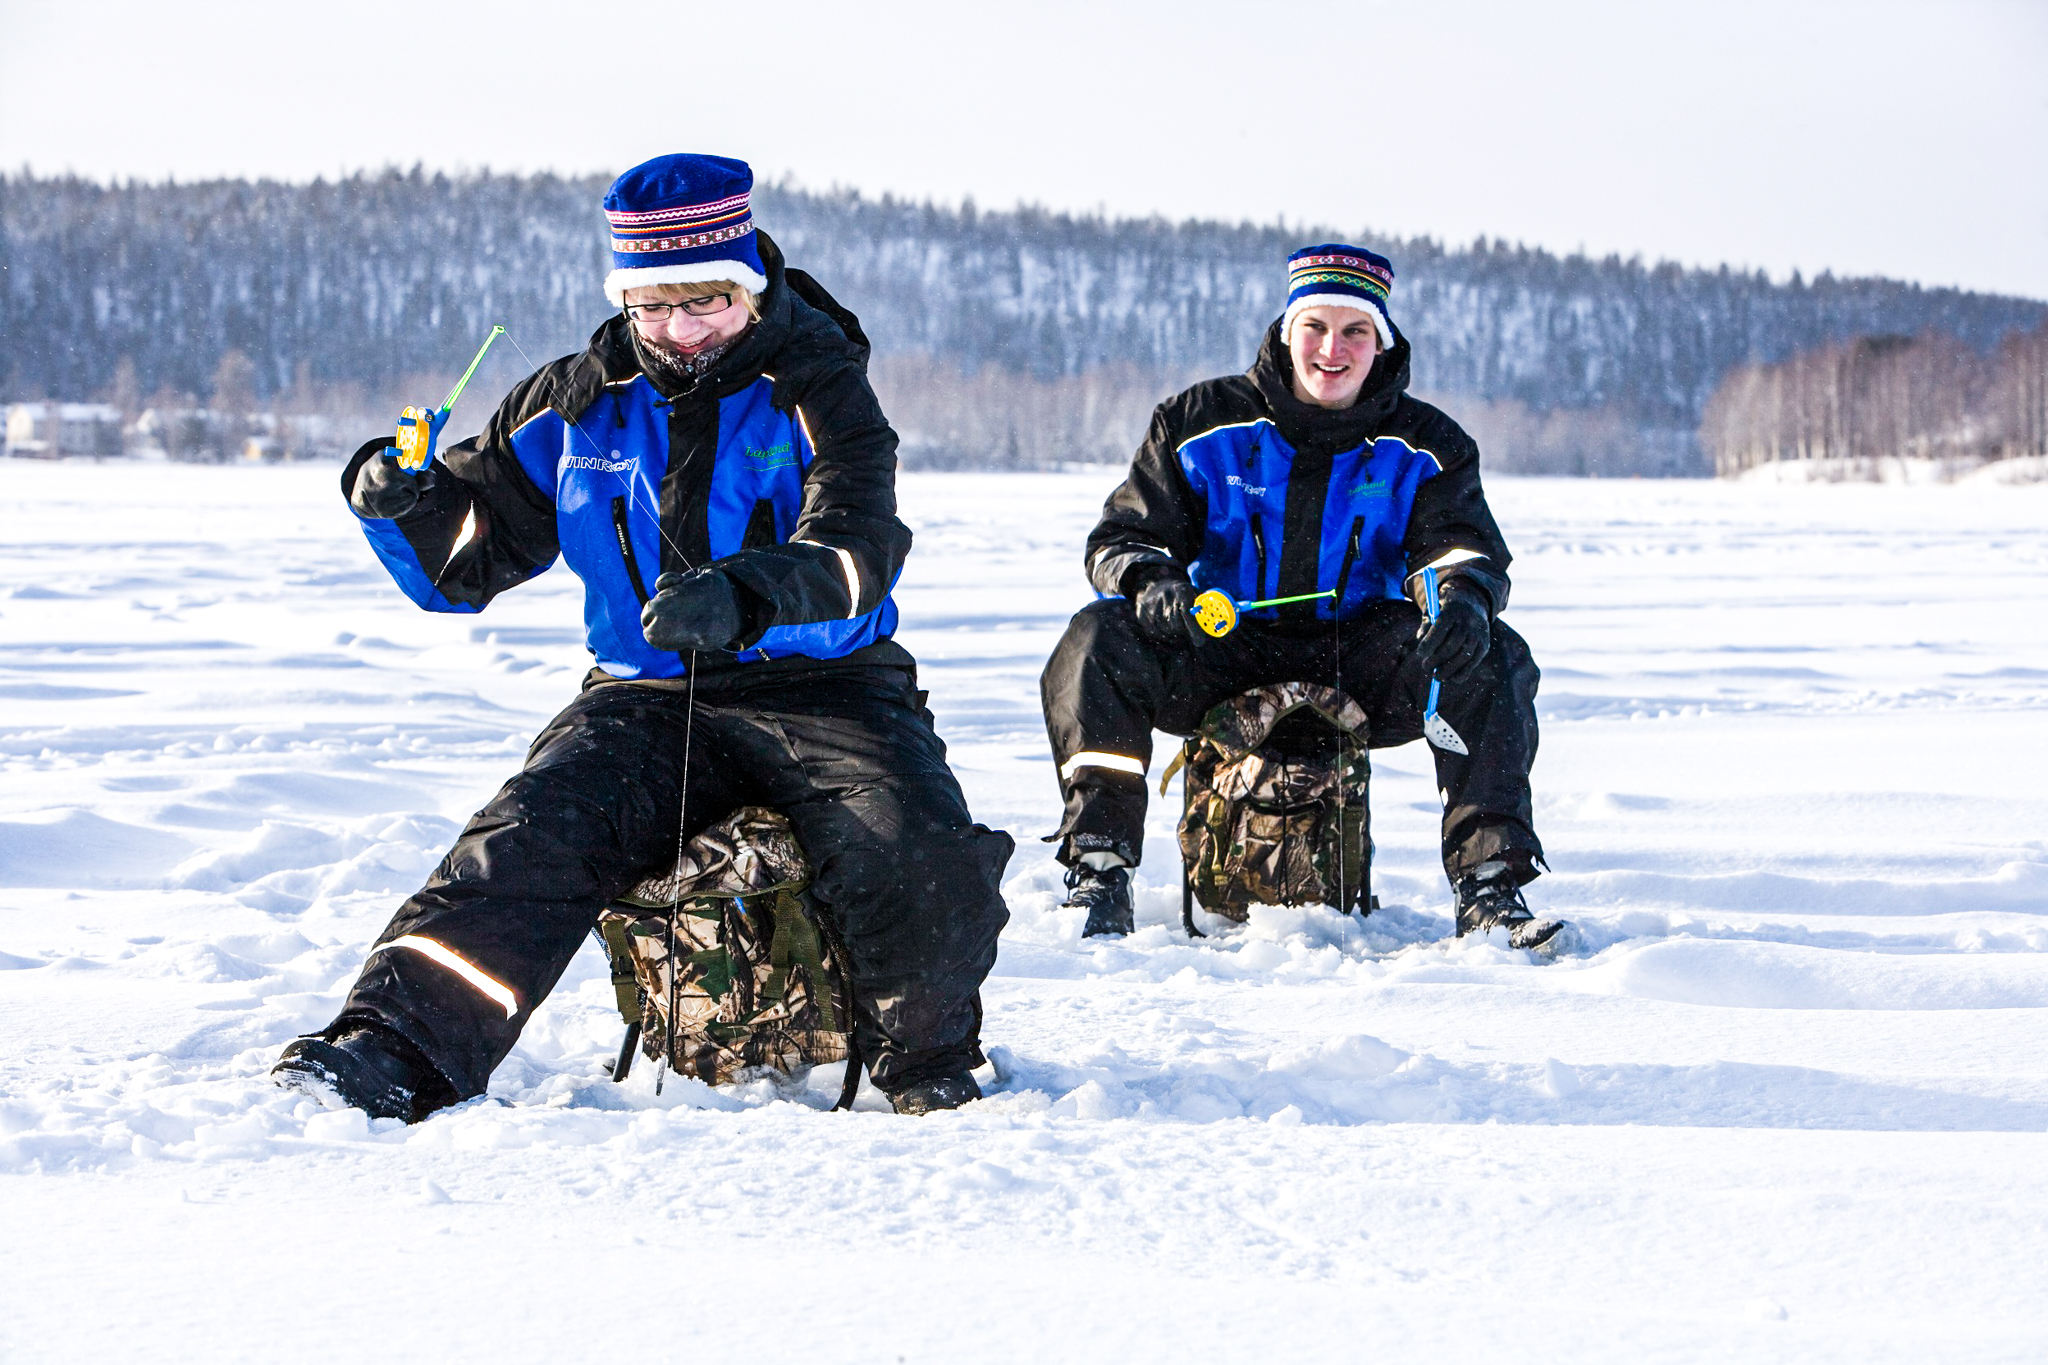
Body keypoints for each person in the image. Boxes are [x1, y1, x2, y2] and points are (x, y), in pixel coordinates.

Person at [273, 153, 1011, 1121]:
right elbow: (471, 552)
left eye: (704, 302)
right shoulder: (574, 402)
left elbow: (858, 544)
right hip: (644, 695)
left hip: (830, 687)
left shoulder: (822, 382)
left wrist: (748, 596)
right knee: (525, 839)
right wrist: (405, 502)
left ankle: (925, 1068)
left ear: (747, 284)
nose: (679, 330)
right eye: (653, 306)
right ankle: (393, 1047)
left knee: (912, 852)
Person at [1040, 244, 1558, 948]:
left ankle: (1490, 886)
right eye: (1316, 326)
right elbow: (1125, 538)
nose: (1333, 349)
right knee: (1096, 640)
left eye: (1355, 331)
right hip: (1222, 646)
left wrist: (1462, 599)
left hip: (1366, 657)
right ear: (1288, 330)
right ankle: (1099, 871)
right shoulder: (1198, 422)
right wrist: (1150, 582)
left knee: (1492, 654)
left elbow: (1458, 548)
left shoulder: (1430, 443)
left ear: (1382, 343)